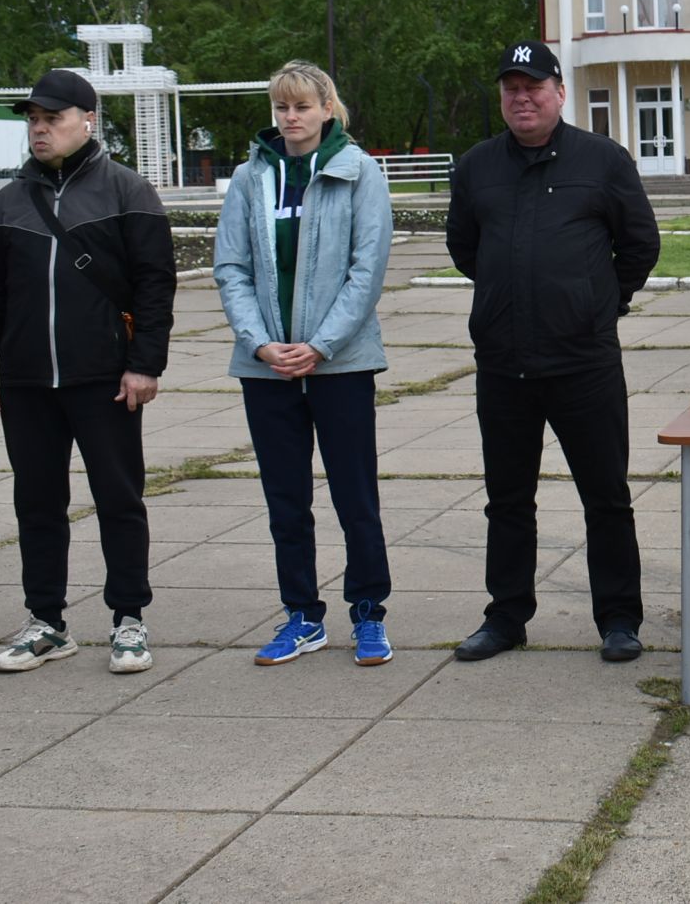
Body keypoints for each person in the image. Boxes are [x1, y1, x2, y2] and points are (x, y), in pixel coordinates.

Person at [445, 41, 661, 663]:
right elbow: (466, 250)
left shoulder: (603, 160)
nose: (522, 98)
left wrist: (597, 302)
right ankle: (506, 616)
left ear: (559, 93)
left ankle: (619, 619)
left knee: (607, 497)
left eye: (533, 86)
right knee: (508, 500)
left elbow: (640, 245)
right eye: (511, 88)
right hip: (503, 366)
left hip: (584, 364)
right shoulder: (477, 167)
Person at [0, 68, 177, 674]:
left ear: (88, 121)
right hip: (27, 380)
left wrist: (144, 364)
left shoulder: (127, 191)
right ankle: (47, 623)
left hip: (103, 378)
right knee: (37, 502)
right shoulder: (10, 200)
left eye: (51, 119)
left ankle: (129, 618)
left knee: (118, 498)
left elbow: (154, 285)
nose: (39, 129)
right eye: (32, 119)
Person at [215, 61, 395, 668]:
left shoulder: (358, 171)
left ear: (326, 109)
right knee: (285, 499)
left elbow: (366, 270)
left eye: (301, 107)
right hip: (265, 367)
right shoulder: (249, 177)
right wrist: (260, 342)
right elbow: (232, 267)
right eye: (281, 108)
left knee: (354, 495)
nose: (290, 118)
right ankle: (301, 616)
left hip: (340, 364)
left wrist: (319, 345)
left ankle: (369, 612)